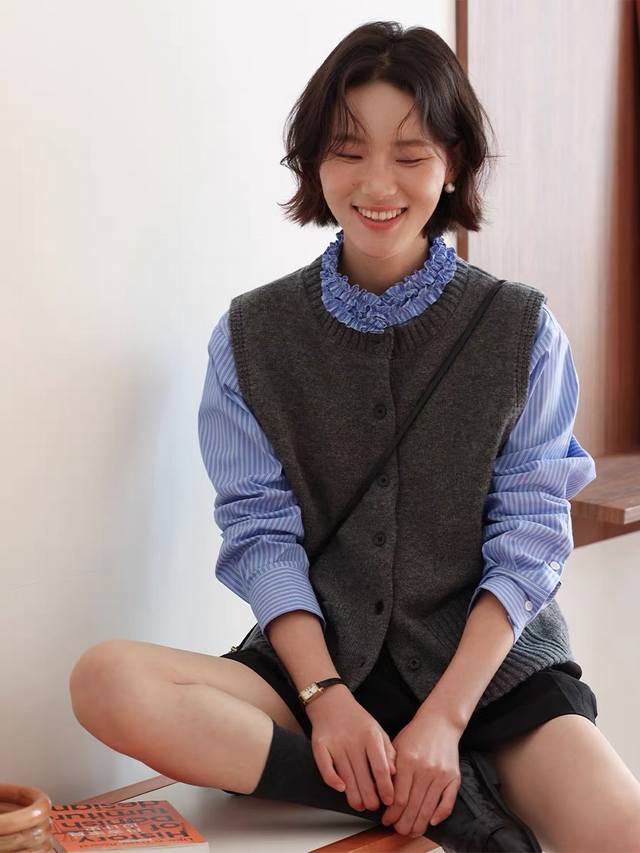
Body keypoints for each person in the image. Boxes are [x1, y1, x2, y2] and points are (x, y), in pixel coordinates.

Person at [68, 21, 640, 853]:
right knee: (106, 680)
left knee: (624, 830)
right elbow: (261, 535)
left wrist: (445, 717)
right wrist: (327, 697)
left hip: (489, 680)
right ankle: (430, 802)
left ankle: (426, 770)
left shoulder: (522, 329)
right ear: (314, 161)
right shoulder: (250, 337)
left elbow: (530, 538)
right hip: (317, 670)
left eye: (410, 154)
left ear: (453, 163)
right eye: (348, 150)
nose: (378, 183)